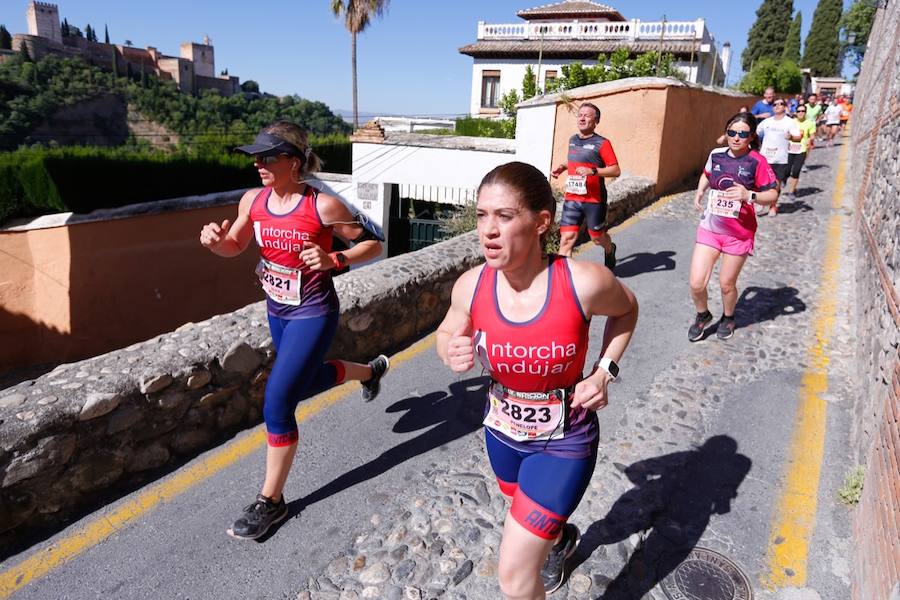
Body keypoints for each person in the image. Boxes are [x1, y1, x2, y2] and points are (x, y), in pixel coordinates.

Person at [437, 161, 638, 599]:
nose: (487, 230)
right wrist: (450, 347)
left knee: (513, 576)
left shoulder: (583, 281)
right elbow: (449, 330)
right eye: (481, 215)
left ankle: (546, 544)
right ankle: (560, 540)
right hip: (502, 435)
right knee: (521, 511)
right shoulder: (470, 286)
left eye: (504, 216)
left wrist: (605, 371)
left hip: (565, 440)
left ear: (541, 222)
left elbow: (627, 310)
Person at [199, 121, 391, 540]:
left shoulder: (322, 206)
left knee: (278, 400)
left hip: (313, 312)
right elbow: (235, 244)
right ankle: (369, 371)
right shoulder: (253, 201)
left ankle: (272, 501)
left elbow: (374, 243)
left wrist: (334, 260)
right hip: (277, 310)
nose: (258, 163)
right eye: (255, 156)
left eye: (268, 157)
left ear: (295, 162)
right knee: (303, 384)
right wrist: (216, 242)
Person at [688, 112, 779, 342]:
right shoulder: (716, 155)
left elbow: (773, 193)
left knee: (726, 284)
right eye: (732, 132)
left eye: (743, 134)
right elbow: (707, 174)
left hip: (738, 233)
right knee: (696, 283)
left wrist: (749, 194)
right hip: (710, 227)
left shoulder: (757, 161)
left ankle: (728, 317)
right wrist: (701, 190)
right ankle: (703, 314)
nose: (736, 138)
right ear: (726, 133)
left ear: (751, 137)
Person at [550, 103, 621, 270]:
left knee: (597, 238)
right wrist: (563, 166)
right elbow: (576, 161)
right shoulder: (573, 140)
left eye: (587, 116)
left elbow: (616, 170)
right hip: (572, 198)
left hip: (594, 200)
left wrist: (593, 171)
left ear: (596, 121)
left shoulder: (602, 143)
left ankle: (610, 249)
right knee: (566, 239)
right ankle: (563, 279)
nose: (582, 118)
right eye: (580, 115)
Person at [756, 98, 800, 216]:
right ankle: (760, 201)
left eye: (781, 104)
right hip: (764, 158)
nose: (777, 106)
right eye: (775, 104)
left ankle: (773, 206)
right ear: (772, 107)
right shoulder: (767, 122)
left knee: (776, 185)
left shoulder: (790, 122)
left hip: (780, 158)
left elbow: (798, 137)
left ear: (785, 107)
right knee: (761, 183)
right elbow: (755, 133)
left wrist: (791, 137)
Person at [784, 104, 816, 199]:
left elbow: (812, 135)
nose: (801, 113)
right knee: (787, 170)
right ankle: (784, 179)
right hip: (789, 149)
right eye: (799, 111)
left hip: (801, 150)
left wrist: (810, 141)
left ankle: (791, 191)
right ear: (796, 112)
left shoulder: (810, 123)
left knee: (796, 171)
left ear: (805, 113)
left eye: (803, 111)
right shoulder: (791, 122)